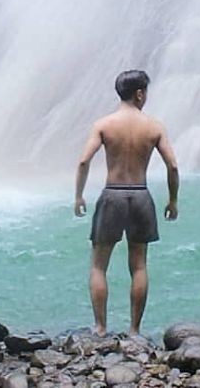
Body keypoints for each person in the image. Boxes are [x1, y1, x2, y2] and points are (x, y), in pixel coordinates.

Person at [74, 69, 179, 337]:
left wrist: (79, 195)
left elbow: (84, 160)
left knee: (99, 266)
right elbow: (173, 166)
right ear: (140, 93)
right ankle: (134, 331)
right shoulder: (154, 127)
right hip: (141, 195)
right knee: (139, 265)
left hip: (113, 195)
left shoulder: (104, 125)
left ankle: (100, 328)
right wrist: (173, 200)